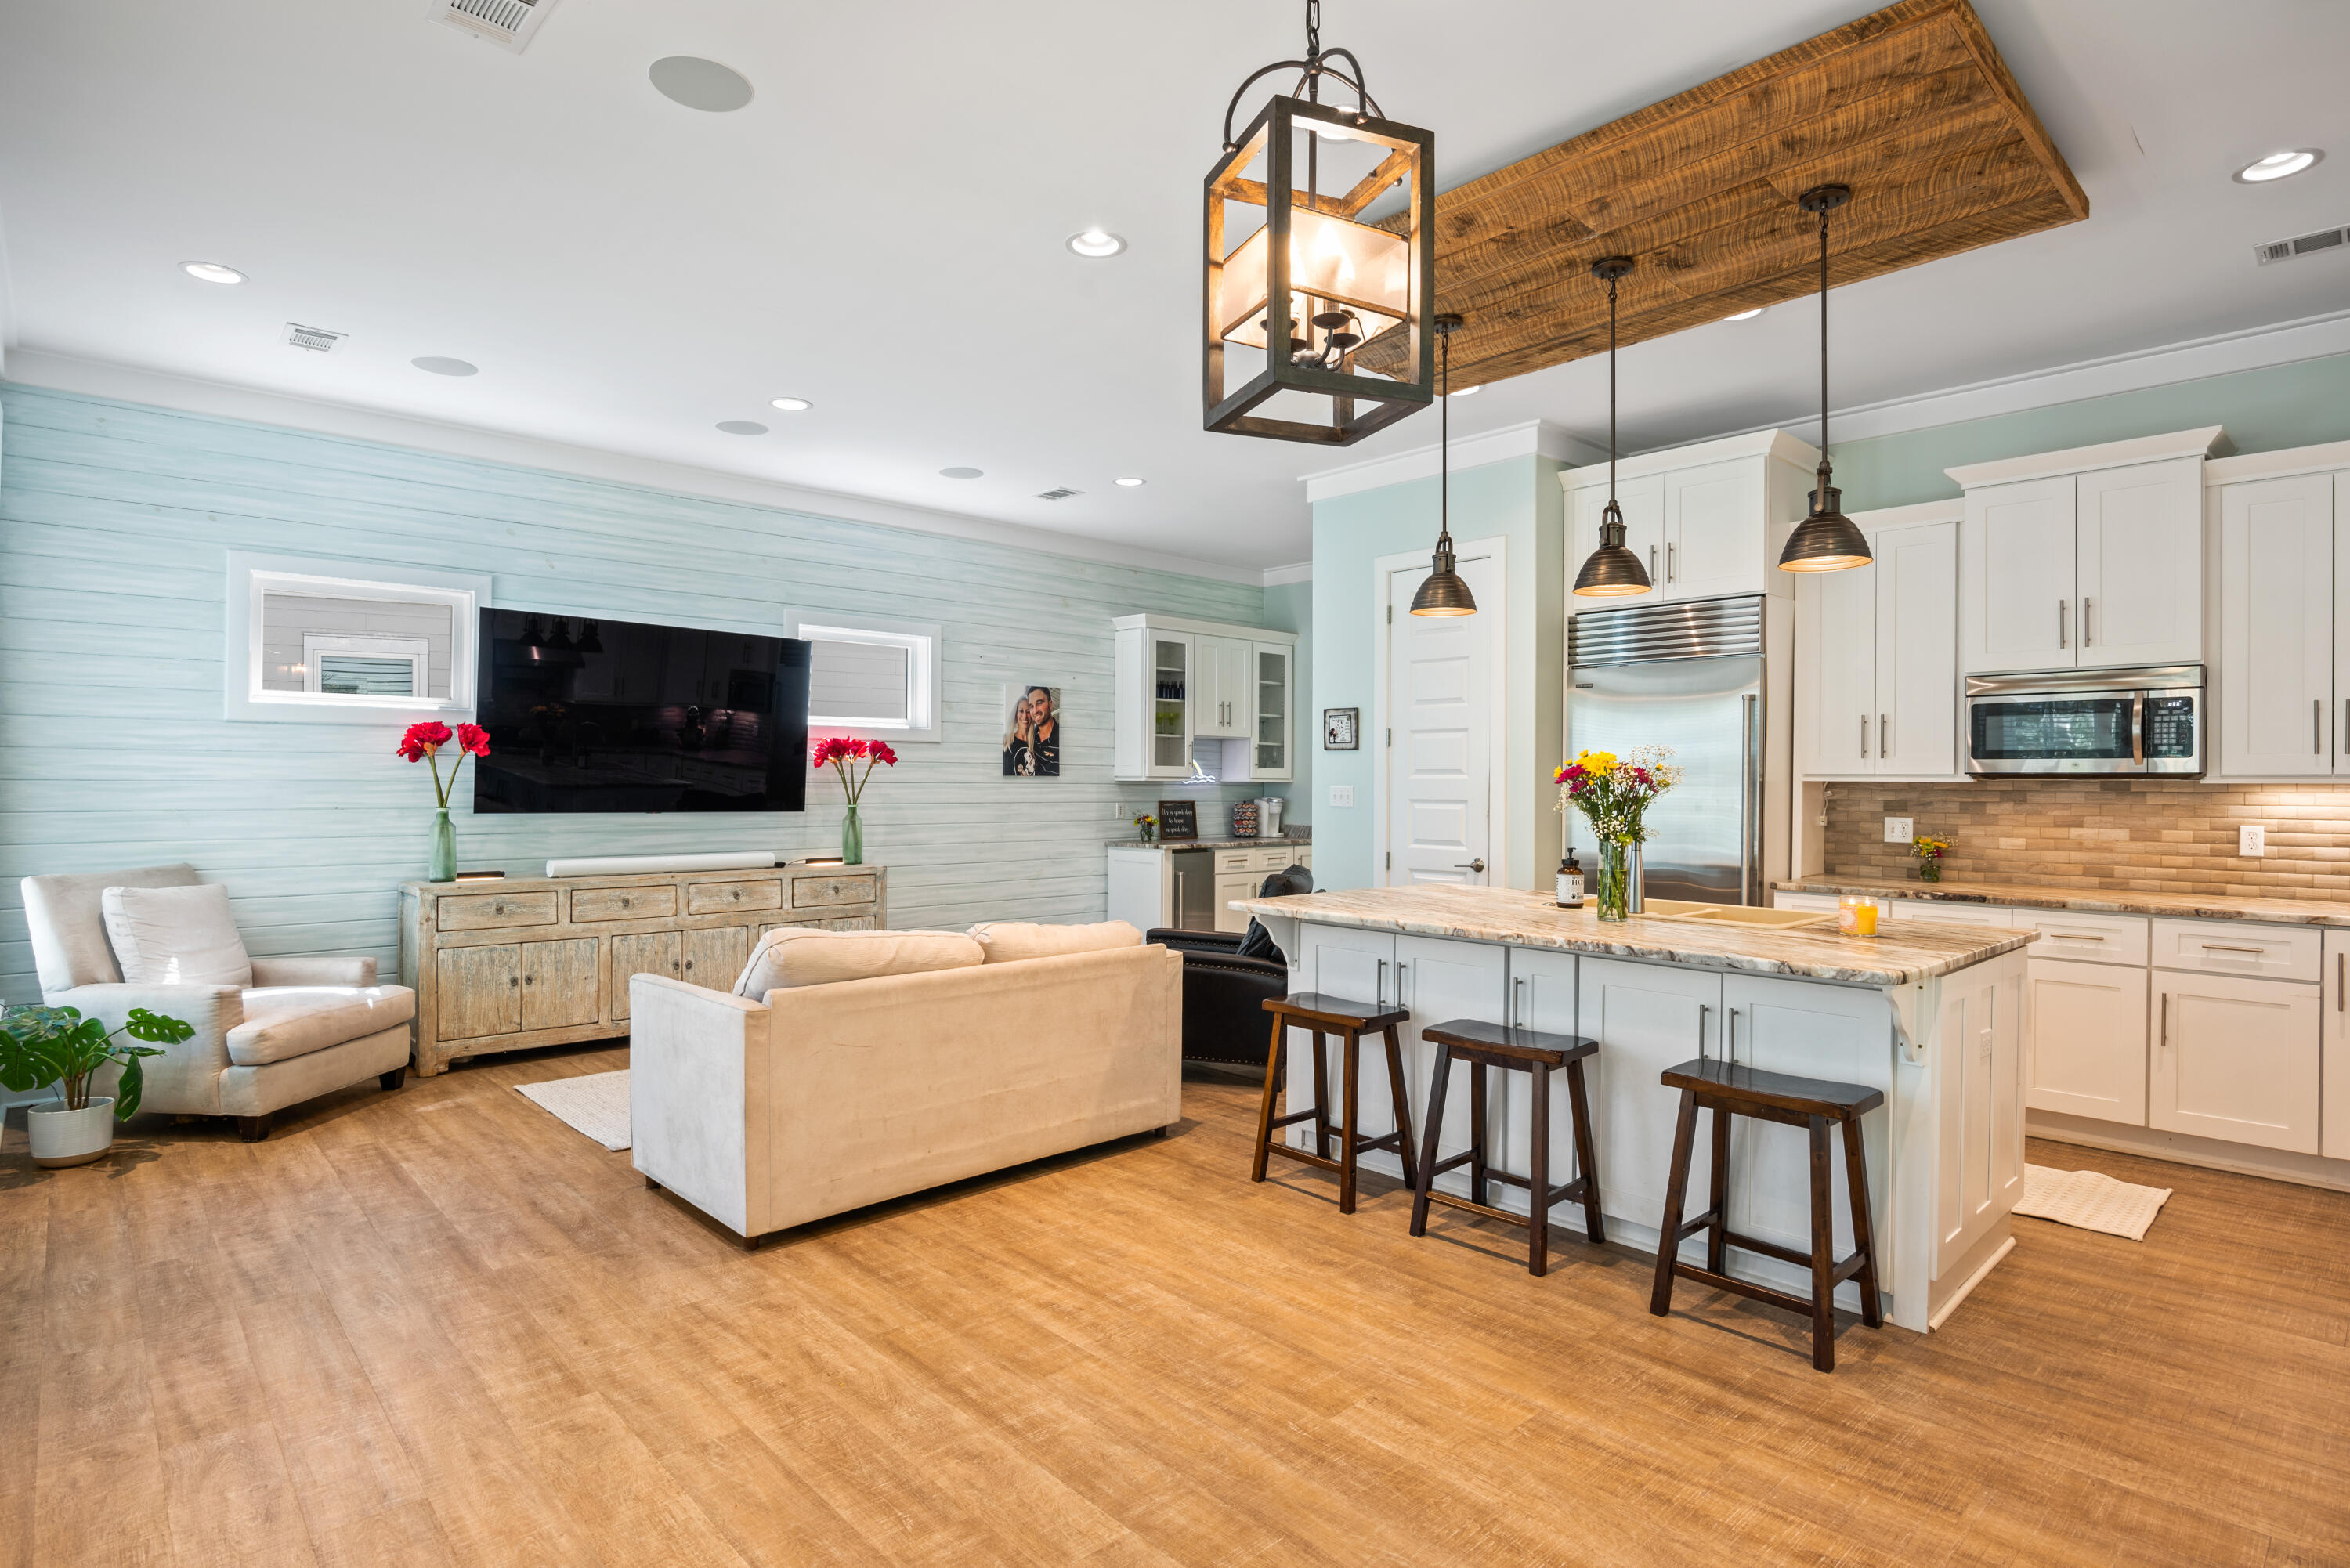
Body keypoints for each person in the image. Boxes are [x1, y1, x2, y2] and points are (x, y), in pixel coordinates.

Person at [1003, 685, 1060, 777]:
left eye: (1040, 703)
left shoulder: (1034, 743)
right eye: (1021, 711)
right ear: (1016, 714)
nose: (1035, 710)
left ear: (1050, 705)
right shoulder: (1006, 740)